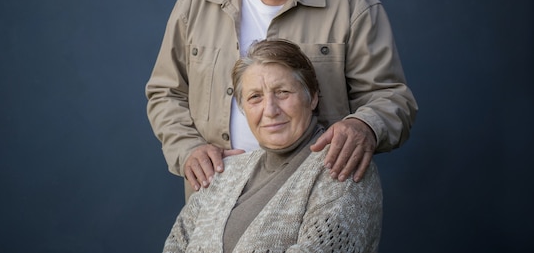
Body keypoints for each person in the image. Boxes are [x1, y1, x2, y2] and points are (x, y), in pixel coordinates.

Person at [146, 0, 417, 199]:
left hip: (313, 200)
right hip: (213, 200)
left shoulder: (352, 1)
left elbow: (392, 98)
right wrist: (187, 148)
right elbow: (165, 92)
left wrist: (366, 126)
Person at [162, 39, 383, 252]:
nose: (270, 110)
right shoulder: (222, 173)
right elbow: (175, 246)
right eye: (255, 97)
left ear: (313, 97)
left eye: (283, 92)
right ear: (243, 108)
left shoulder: (340, 166)